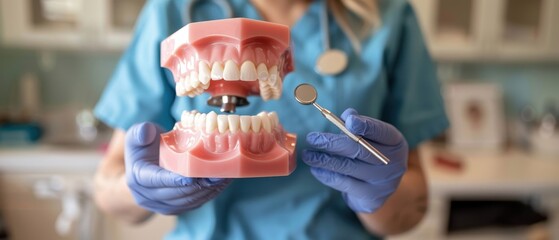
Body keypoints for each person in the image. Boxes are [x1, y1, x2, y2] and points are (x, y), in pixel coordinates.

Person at [93, 0, 449, 239]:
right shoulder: (175, 8)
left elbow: (411, 210)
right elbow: (108, 187)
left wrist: (383, 194)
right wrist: (139, 190)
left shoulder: (389, 14)